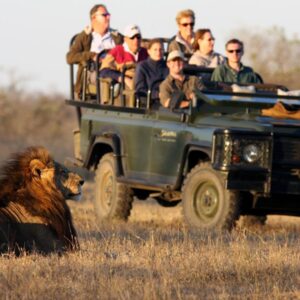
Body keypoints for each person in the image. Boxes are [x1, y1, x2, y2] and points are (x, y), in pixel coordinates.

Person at [66, 4, 123, 97]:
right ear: (94, 18)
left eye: (108, 15)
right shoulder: (85, 36)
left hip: (116, 68)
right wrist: (92, 55)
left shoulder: (116, 36)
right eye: (104, 15)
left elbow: (131, 45)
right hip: (94, 71)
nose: (108, 17)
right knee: (105, 78)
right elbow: (70, 57)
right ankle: (105, 105)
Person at [100, 24, 148, 90]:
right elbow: (104, 71)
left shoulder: (145, 52)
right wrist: (124, 79)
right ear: (125, 39)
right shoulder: (117, 51)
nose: (136, 40)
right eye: (132, 37)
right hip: (123, 86)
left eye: (138, 37)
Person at [134, 38, 169, 107]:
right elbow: (140, 90)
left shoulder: (168, 66)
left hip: (167, 101)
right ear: (149, 51)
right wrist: (157, 94)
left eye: (161, 49)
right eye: (155, 50)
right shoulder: (142, 67)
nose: (158, 52)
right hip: (149, 102)